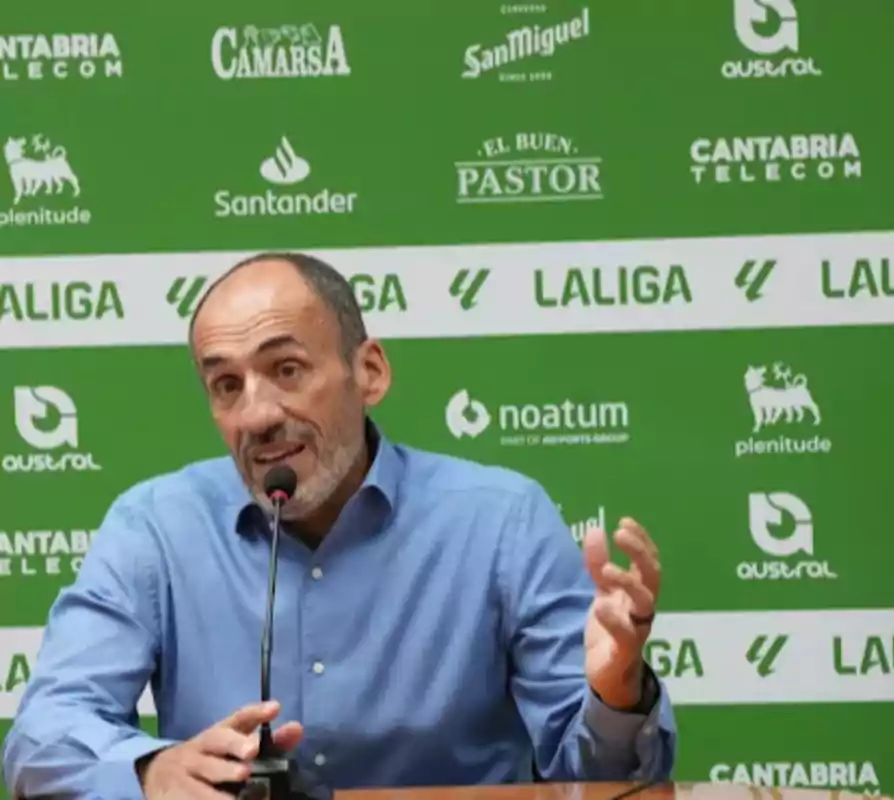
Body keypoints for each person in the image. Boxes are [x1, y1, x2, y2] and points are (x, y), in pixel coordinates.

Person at [2, 252, 677, 800]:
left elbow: (602, 780)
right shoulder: (153, 527)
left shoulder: (501, 520)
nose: (258, 414)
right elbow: (42, 737)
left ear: (370, 372)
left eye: (286, 369)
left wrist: (615, 689)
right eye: (226, 386)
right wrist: (151, 771)